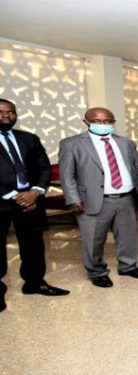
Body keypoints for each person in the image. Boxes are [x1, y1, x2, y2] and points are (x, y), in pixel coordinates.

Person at [58, 107, 138, 288]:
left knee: (128, 236)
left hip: (126, 197)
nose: (103, 125)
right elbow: (67, 174)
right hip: (92, 199)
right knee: (93, 239)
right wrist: (73, 198)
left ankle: (128, 266)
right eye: (98, 121)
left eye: (108, 121)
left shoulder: (126, 143)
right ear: (86, 122)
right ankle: (97, 272)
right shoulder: (71, 144)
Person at [1, 98, 69, 312]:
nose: (6, 116)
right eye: (1, 112)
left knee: (34, 245)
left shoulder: (28, 138)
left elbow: (43, 167)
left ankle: (35, 282)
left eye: (11, 112)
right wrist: (16, 195)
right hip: (2, 202)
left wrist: (36, 191)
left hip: (31, 201)